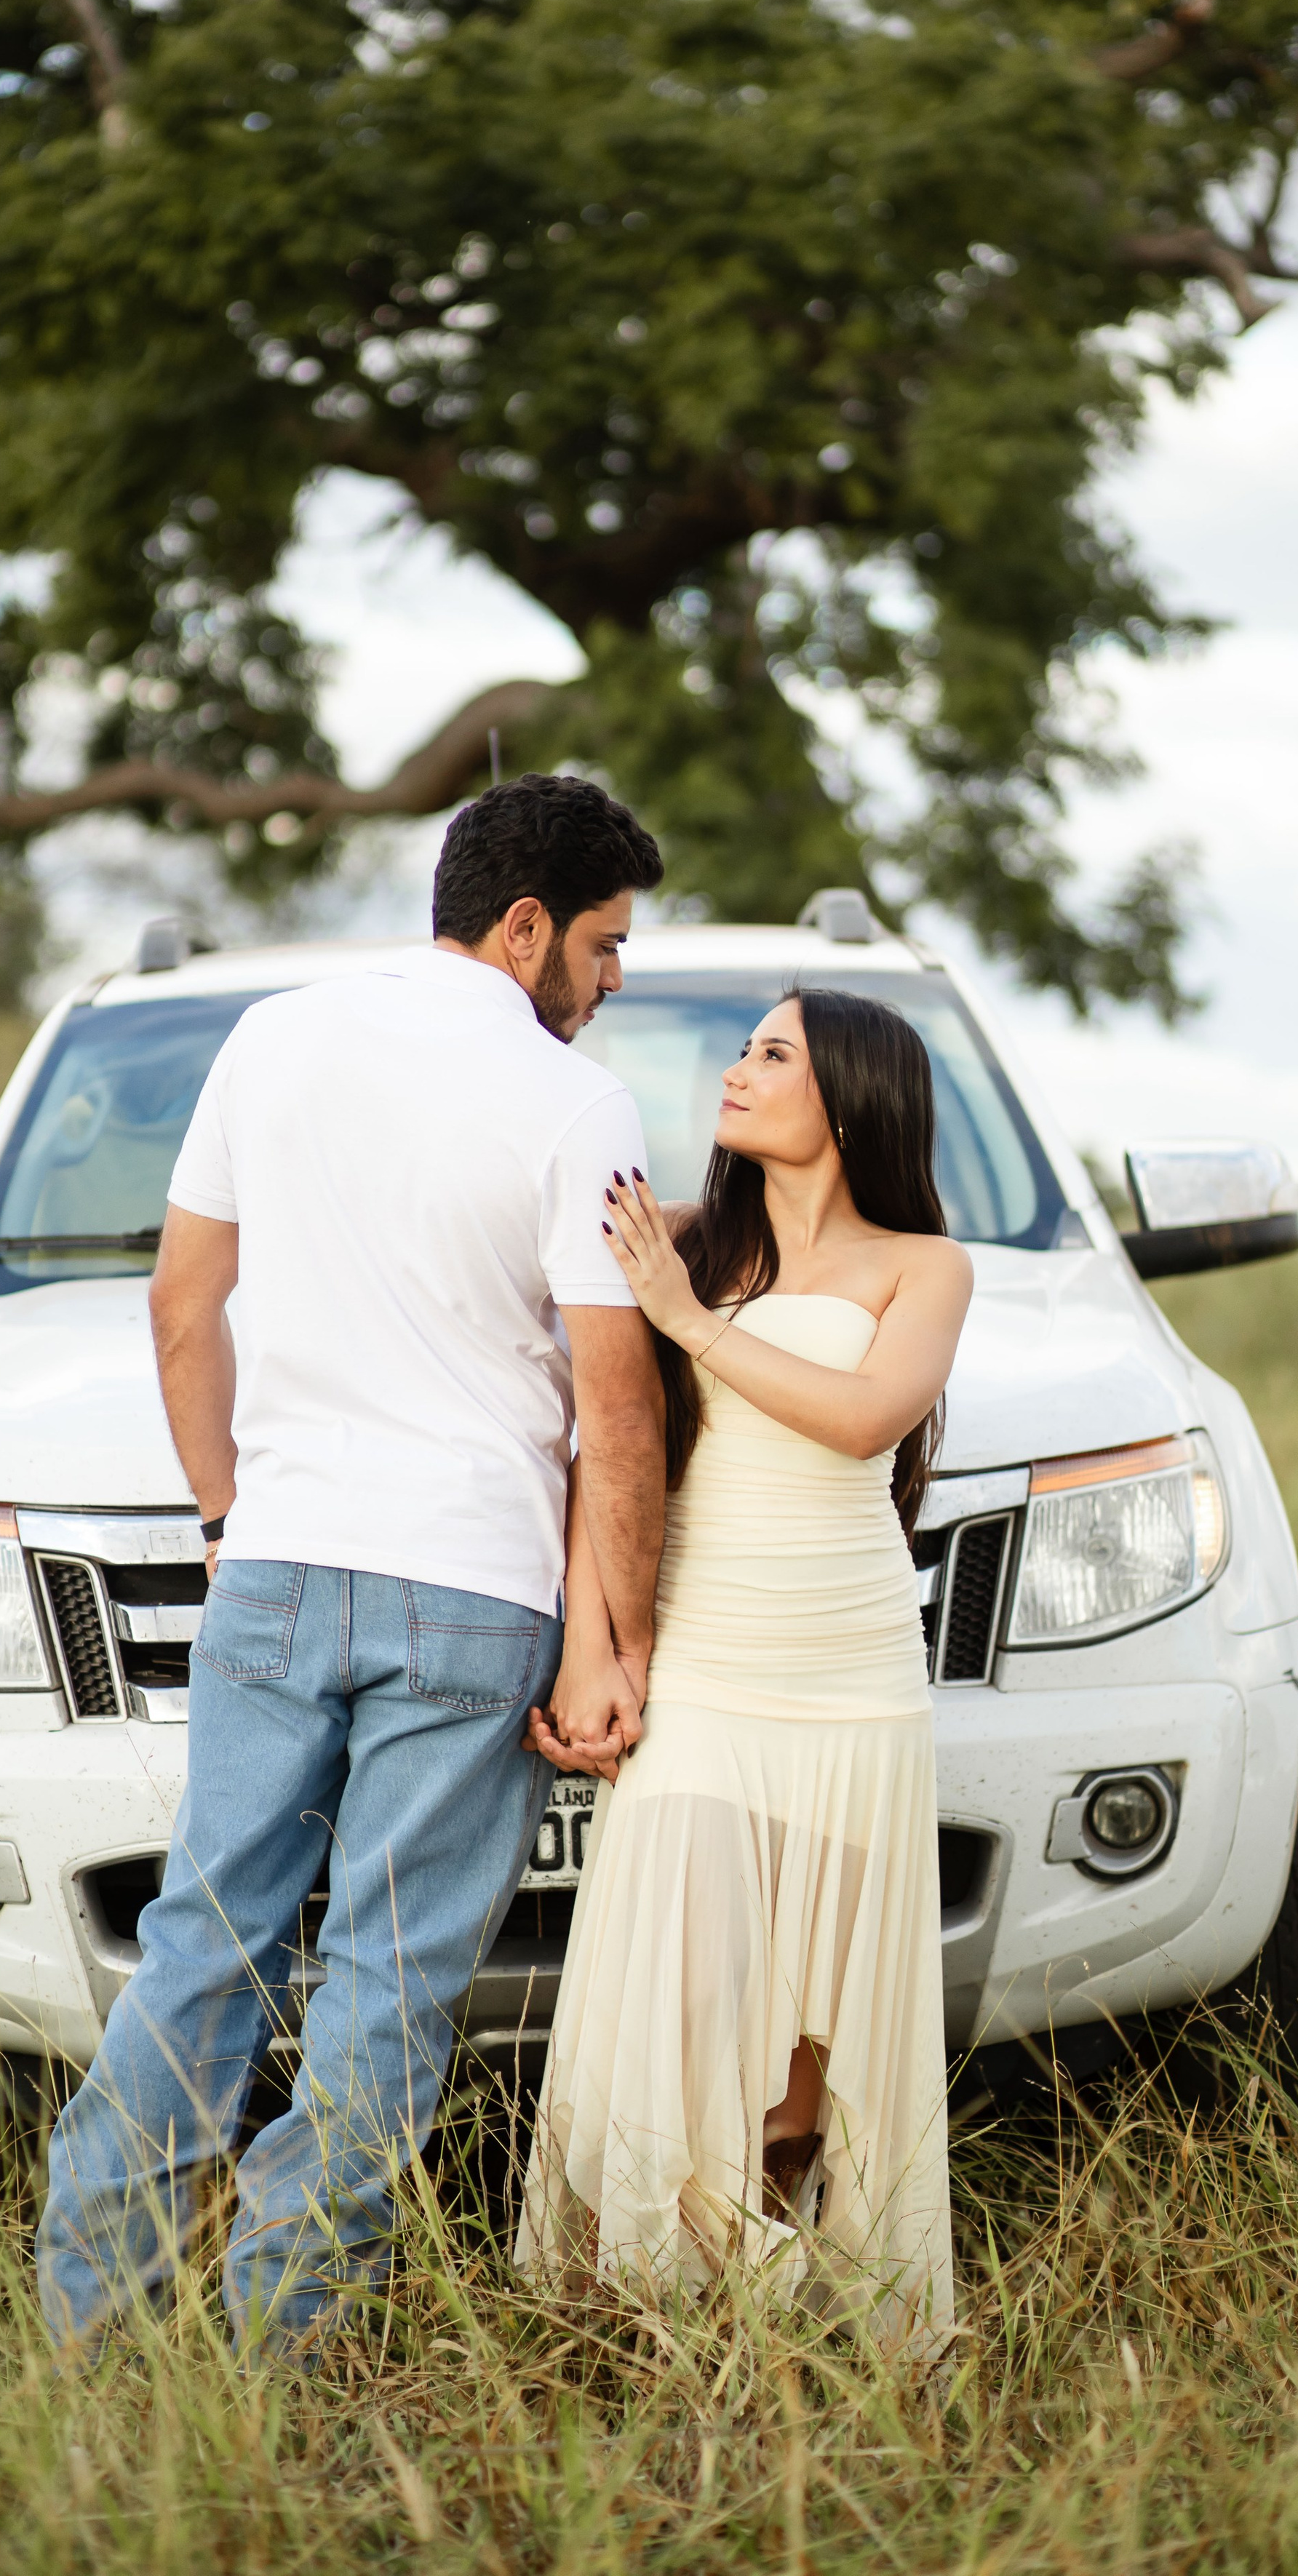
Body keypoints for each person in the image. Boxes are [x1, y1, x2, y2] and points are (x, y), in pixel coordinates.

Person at [37, 773, 667, 2357]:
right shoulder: (572, 1102)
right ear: (522, 927)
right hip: (470, 1594)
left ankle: (92, 2336)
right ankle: (286, 2354)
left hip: (275, 1568)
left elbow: (182, 1305)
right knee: (387, 1989)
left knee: (204, 1946)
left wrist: (223, 1520)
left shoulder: (273, 1040)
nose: (610, 980)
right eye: (602, 945)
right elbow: (617, 1407)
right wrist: (618, 1642)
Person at [517, 986, 972, 2358]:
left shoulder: (925, 1266)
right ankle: (646, 2309)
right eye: (743, 1048)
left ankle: (773, 2338)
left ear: (851, 1095)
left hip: (855, 1675)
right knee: (676, 2002)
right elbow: (606, 1447)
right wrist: (591, 1650)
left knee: (810, 2056)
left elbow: (868, 1419)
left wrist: (691, 1319)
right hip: (707, 1664)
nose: (738, 1069)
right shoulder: (682, 1241)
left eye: (774, 1053)